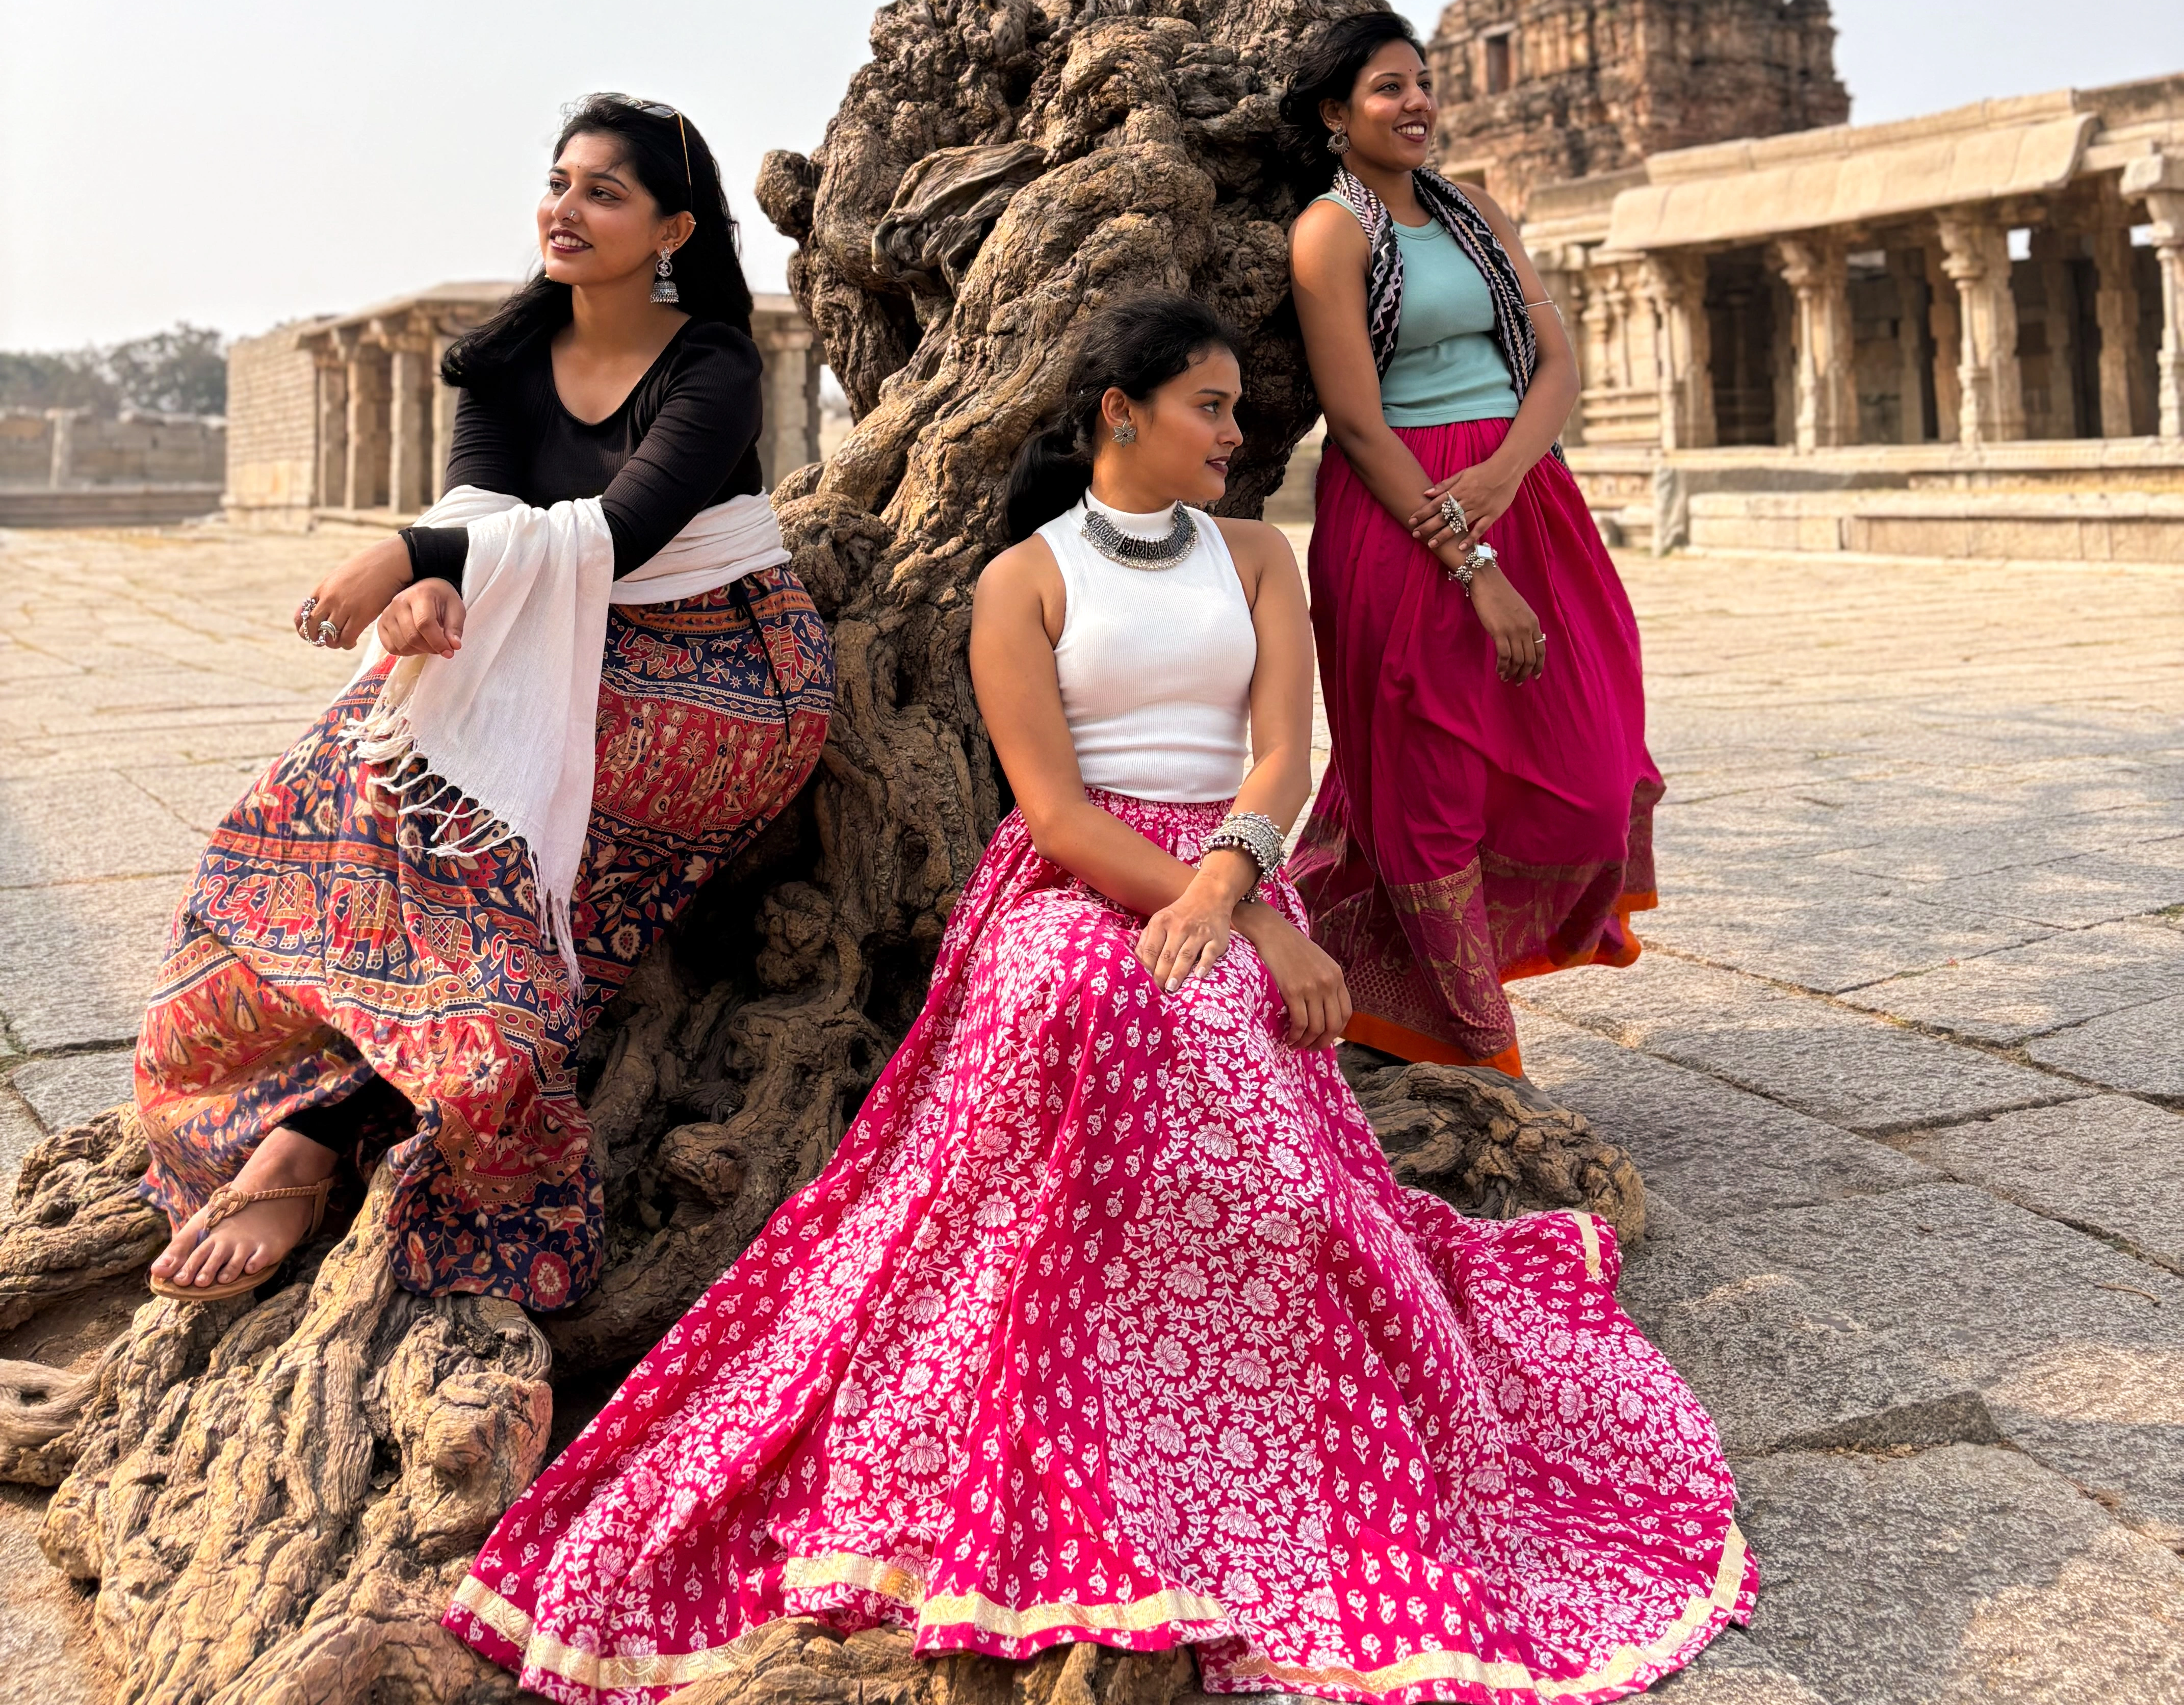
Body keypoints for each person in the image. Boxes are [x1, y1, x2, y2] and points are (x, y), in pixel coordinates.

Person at [444, 297, 1751, 1705]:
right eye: (1211, 407)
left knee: (1233, 1070)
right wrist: (1205, 909)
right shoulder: (1025, 579)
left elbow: (1280, 761)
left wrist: (1237, 897)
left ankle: (1232, 1439)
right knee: (1077, 1001)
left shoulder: (1259, 554)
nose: (1238, 435)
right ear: (1119, 412)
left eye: (1240, 410)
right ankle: (1071, 1391)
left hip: (1230, 856)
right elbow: (1055, 809)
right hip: (1082, 880)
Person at [138, 94, 834, 1313]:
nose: (564, 209)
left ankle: (328, 1129)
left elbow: (618, 536)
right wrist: (422, 596)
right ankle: (323, 1094)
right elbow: (484, 525)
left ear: (673, 227)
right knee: (338, 781)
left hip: (719, 667)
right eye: (558, 182)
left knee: (497, 842)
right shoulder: (506, 356)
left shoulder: (713, 361)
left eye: (603, 192)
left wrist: (408, 562)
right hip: (536, 633)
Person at [1283, 13, 1661, 1080]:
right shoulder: (1331, 233)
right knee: (1429, 788)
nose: (1416, 105)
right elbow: (1358, 423)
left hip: (1524, 495)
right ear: (1334, 115)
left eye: (1424, 84)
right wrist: (1472, 560)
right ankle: (1478, 1053)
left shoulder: (1478, 212)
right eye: (1386, 89)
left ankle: (1368, 983)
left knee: (1588, 774)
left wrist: (1502, 478)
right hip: (1408, 519)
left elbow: (1557, 365)